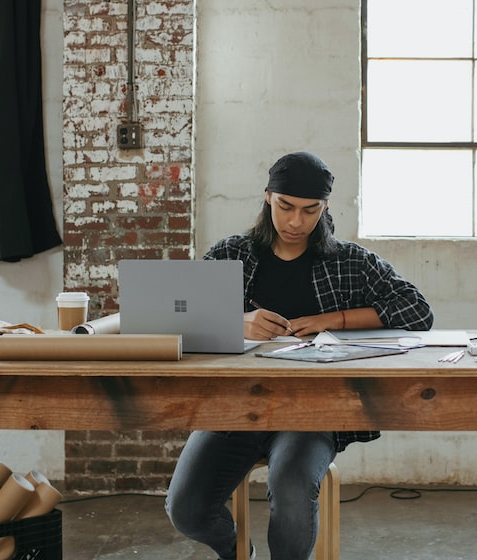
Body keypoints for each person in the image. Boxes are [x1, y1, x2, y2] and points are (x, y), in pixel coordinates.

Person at [165, 151, 434, 560]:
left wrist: (334, 319)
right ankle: (240, 554)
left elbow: (417, 310)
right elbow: (175, 315)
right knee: (185, 508)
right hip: (233, 406)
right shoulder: (231, 255)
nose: (296, 222)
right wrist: (238, 321)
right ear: (268, 197)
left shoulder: (349, 262)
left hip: (311, 410)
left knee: (291, 489)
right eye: (285, 207)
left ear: (324, 207)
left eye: (310, 211)